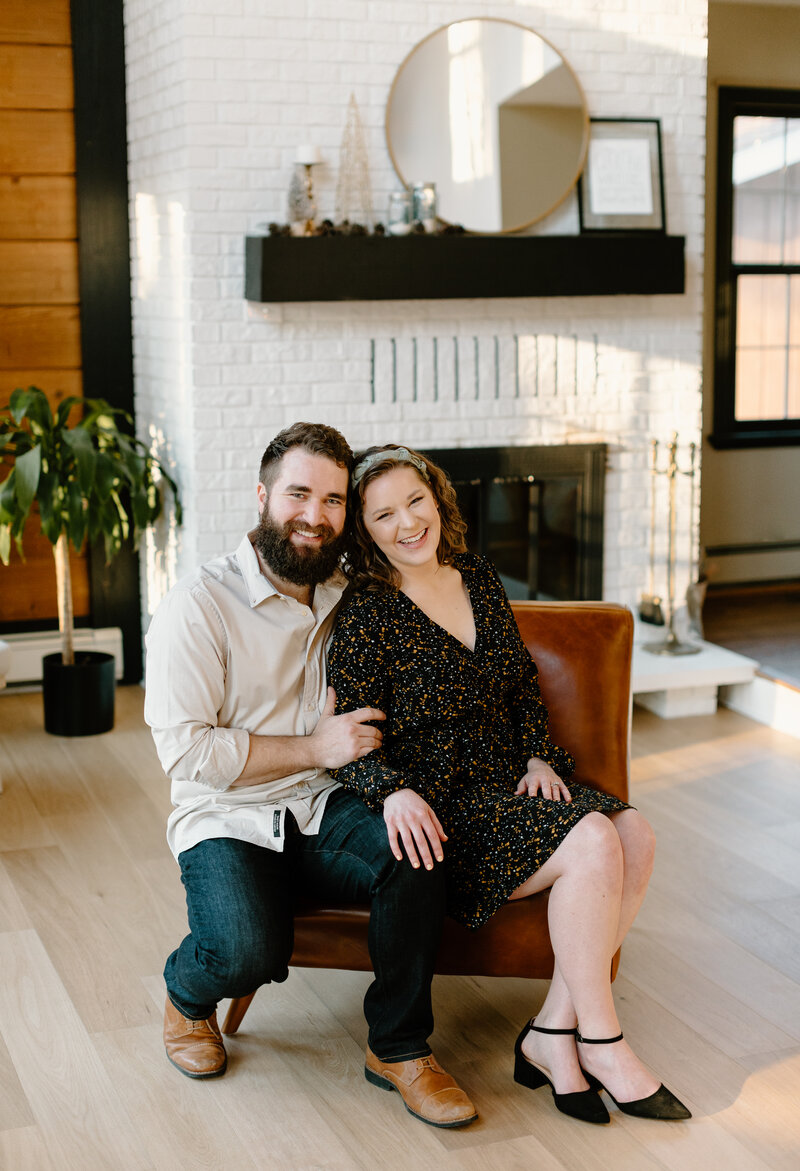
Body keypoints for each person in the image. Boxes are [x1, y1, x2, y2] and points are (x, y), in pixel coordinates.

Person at [327, 443, 691, 1125]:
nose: (407, 523)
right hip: (444, 815)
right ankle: (604, 1041)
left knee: (632, 830)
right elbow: (347, 737)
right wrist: (390, 791)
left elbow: (523, 686)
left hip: (511, 786)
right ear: (363, 531)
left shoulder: (476, 574)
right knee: (589, 839)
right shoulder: (366, 613)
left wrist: (541, 757)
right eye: (383, 514)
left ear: (437, 497)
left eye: (415, 501)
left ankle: (554, 1030)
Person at [144, 423, 477, 1129]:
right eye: (299, 493)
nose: (315, 514)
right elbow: (188, 755)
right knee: (245, 949)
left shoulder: (347, 590)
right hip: (228, 812)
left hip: (323, 804)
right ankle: (185, 994)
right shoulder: (197, 605)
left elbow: (437, 589)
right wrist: (314, 746)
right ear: (263, 495)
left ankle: (399, 1046)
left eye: (333, 499)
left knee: (415, 848)